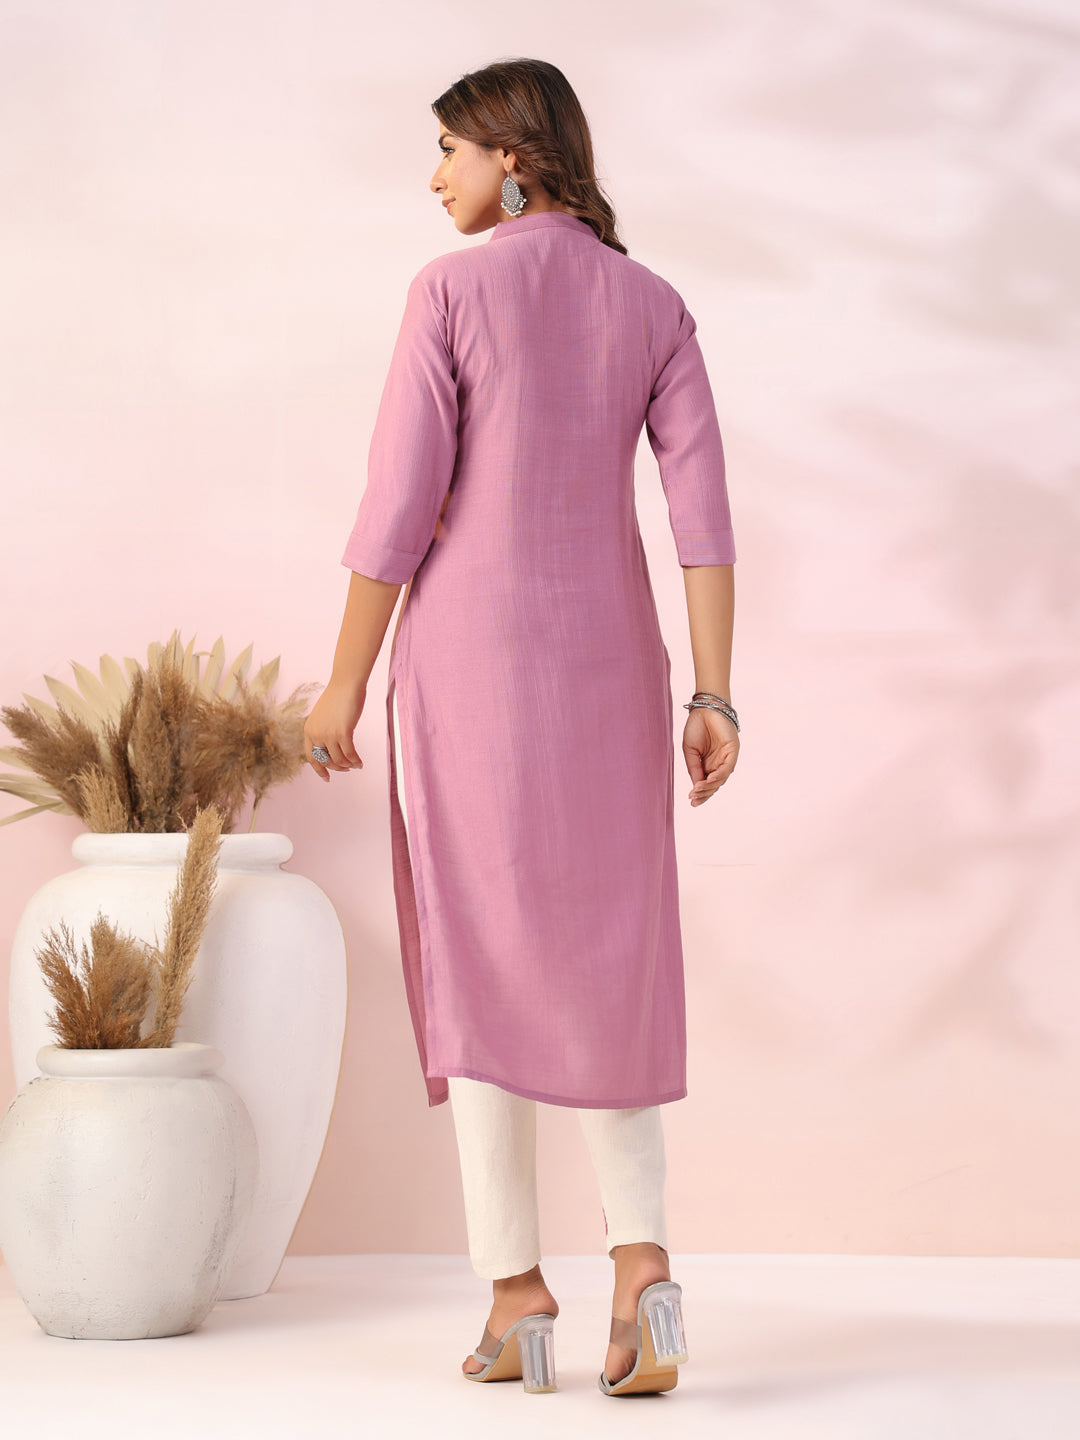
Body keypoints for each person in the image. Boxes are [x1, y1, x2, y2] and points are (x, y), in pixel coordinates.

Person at [304, 58, 739, 1396]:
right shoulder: (654, 305)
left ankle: (515, 1295)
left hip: (472, 672)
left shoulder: (451, 292)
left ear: (513, 156)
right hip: (612, 673)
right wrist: (713, 693)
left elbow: (398, 507)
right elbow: (703, 520)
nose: (435, 176)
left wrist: (342, 684)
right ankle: (644, 1269)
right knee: (614, 954)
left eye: (450, 149)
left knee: (480, 950)